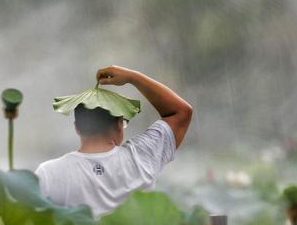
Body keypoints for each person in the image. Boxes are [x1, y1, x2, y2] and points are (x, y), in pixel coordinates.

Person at [35, 66, 193, 217]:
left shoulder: (48, 173)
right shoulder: (142, 158)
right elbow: (181, 112)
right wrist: (133, 77)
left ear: (77, 128)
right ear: (119, 124)